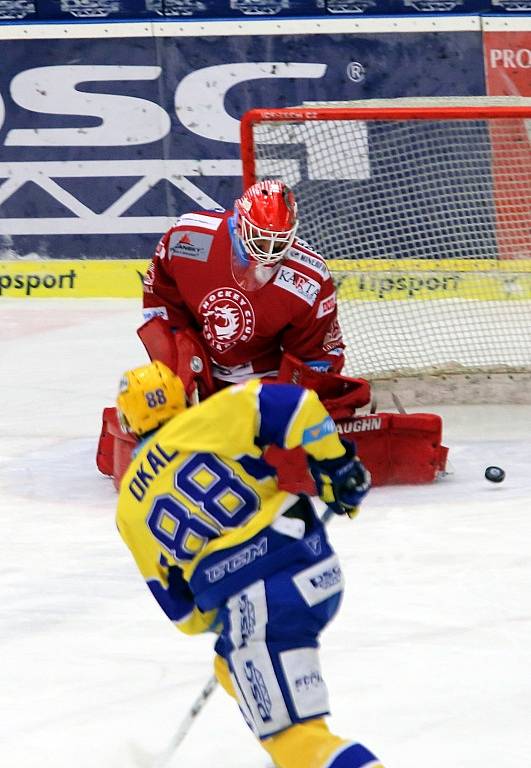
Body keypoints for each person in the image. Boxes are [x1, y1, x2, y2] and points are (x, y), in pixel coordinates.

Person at [115, 360, 384, 768]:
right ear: (188, 397)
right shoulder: (214, 414)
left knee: (297, 742)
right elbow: (299, 408)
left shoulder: (128, 509)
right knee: (228, 660)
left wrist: (224, 609)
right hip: (313, 566)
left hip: (261, 601)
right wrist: (335, 465)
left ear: (126, 423)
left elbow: (184, 614)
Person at [142, 179, 345, 388]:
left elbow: (316, 356)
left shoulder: (309, 276)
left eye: (279, 241)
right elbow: (159, 300)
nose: (268, 251)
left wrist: (293, 398)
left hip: (266, 381)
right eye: (260, 238)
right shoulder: (189, 237)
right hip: (196, 366)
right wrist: (179, 359)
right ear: (240, 222)